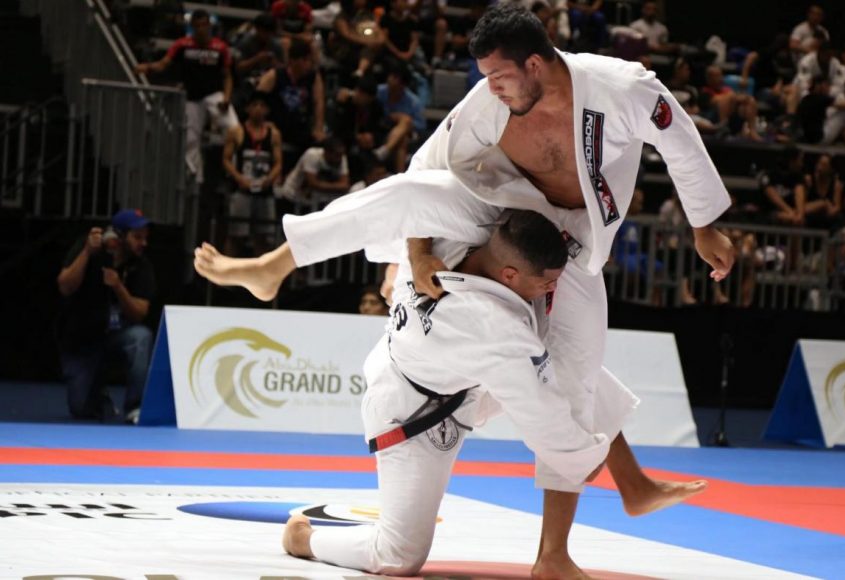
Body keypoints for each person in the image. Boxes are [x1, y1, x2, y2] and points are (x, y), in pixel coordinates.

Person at [196, 5, 729, 575]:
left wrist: (703, 223)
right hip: (502, 214)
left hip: (570, 242)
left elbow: (677, 134)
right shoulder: (487, 105)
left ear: (534, 63)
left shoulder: (619, 88)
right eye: (485, 77)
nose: (491, 88)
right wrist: (417, 253)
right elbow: (424, 170)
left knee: (575, 375)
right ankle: (275, 265)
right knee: (408, 195)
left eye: (499, 76)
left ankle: (555, 553)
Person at [56, 210, 155, 424]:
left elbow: (140, 313)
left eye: (145, 238)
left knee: (141, 337)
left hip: (116, 338)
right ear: (118, 236)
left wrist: (118, 287)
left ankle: (135, 406)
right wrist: (86, 252)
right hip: (83, 339)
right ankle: (99, 397)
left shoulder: (141, 264)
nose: (143, 243)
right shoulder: (88, 248)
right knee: (81, 408)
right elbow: (65, 286)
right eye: (137, 237)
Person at [135, 9, 237, 184]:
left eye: (204, 25)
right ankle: (195, 180)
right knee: (190, 140)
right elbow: (163, 64)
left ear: (209, 26)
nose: (201, 29)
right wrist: (148, 67)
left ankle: (232, 171)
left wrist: (227, 98)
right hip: (192, 98)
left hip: (215, 96)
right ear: (192, 27)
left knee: (234, 128)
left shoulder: (221, 48)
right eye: (197, 26)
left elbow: (227, 76)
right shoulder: (182, 45)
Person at [221, 93, 283, 257]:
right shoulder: (237, 131)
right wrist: (239, 178)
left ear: (267, 110)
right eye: (254, 105)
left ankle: (262, 271)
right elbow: (226, 159)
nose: (258, 109)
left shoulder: (273, 134)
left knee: (264, 238)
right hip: (242, 189)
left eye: (262, 106)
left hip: (264, 190)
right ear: (247, 109)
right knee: (236, 236)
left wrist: (270, 178)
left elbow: (278, 162)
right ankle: (227, 270)